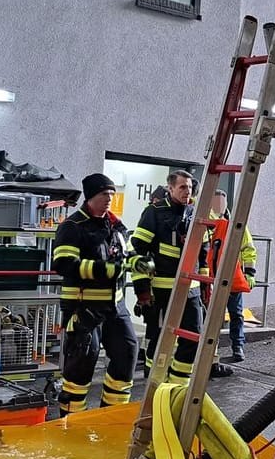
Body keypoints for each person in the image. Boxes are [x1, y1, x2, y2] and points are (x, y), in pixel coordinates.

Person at [51, 173, 143, 415]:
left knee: (127, 354)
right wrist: (106, 270)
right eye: (104, 194)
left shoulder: (117, 226)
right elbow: (63, 263)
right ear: (91, 197)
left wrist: (139, 261)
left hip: (116, 310)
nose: (109, 199)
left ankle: (110, 416)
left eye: (112, 194)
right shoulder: (72, 227)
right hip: (84, 310)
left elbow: (128, 252)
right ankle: (71, 422)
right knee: (81, 364)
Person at [131, 170, 211, 385]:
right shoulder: (154, 212)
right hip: (161, 290)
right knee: (158, 339)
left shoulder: (195, 213)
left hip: (191, 290)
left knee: (194, 337)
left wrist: (204, 284)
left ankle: (178, 384)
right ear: (170, 188)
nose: (188, 191)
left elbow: (203, 251)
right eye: (182, 187)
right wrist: (142, 290)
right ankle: (154, 383)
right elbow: (139, 251)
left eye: (190, 187)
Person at [208, 190, 257, 362]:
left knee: (235, 314)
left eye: (222, 201)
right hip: (208, 278)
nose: (219, 205)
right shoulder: (206, 222)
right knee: (211, 316)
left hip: (230, 275)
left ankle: (238, 346)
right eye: (216, 201)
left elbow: (248, 249)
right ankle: (210, 351)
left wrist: (250, 273)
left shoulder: (236, 224)